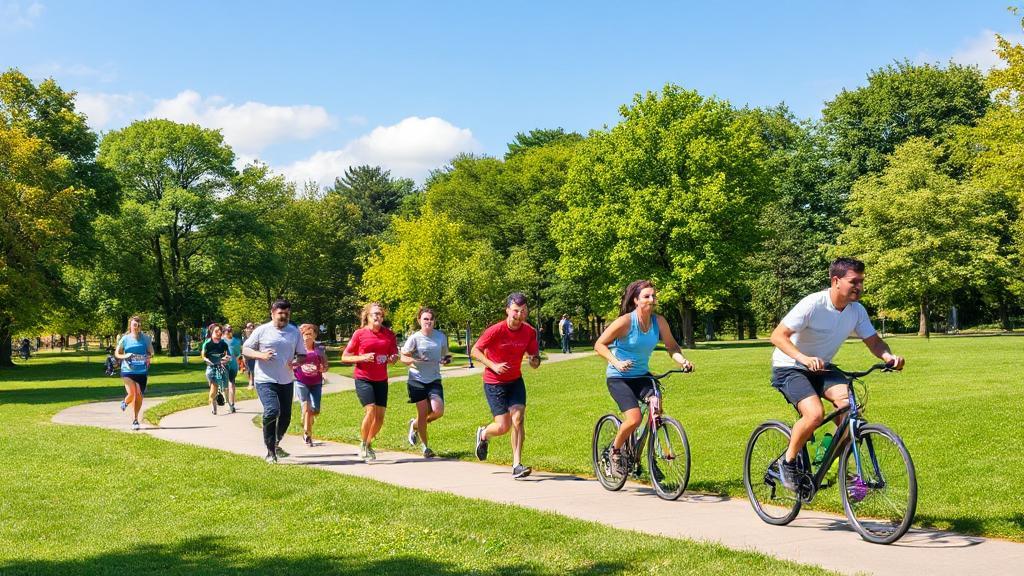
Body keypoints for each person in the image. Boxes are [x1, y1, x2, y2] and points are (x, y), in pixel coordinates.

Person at [769, 257, 905, 492]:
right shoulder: (813, 304)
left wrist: (888, 357)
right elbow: (777, 336)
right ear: (836, 281)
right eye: (854, 281)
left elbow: (873, 341)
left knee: (851, 409)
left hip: (822, 367)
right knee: (814, 414)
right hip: (790, 366)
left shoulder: (856, 310)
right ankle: (788, 462)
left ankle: (831, 461)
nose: (859, 287)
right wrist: (804, 358)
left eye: (861, 281)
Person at [594, 280, 694, 476]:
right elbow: (599, 345)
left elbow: (672, 347)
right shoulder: (625, 322)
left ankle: (645, 457)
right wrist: (616, 362)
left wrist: (682, 361)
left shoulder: (659, 321)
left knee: (656, 411)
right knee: (634, 419)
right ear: (636, 300)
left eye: (653, 296)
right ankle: (613, 451)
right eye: (647, 296)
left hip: (641, 375)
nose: (652, 299)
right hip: (619, 377)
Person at [472, 292, 541, 480]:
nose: (519, 316)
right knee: (503, 427)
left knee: (518, 419)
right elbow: (474, 350)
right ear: (508, 311)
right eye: (516, 311)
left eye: (523, 311)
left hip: (515, 381)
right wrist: (493, 365)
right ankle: (484, 434)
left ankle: (517, 465)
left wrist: (534, 361)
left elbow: (534, 360)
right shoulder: (496, 330)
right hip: (494, 383)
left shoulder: (529, 332)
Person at [243, 300, 307, 464]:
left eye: (287, 313)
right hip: (265, 379)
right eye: (280, 313)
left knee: (285, 416)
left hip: (286, 379)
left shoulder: (294, 332)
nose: (284, 316)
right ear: (272, 313)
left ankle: (276, 442)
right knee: (272, 410)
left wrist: (296, 362)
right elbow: (246, 349)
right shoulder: (262, 330)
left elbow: (302, 354)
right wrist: (261, 355)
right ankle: (270, 451)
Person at [341, 302, 399, 462]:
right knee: (371, 410)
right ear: (367, 316)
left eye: (380, 314)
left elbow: (393, 355)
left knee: (380, 418)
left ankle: (368, 442)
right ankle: (362, 444)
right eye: (374, 314)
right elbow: (344, 357)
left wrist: (394, 358)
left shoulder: (389, 335)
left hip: (381, 379)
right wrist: (362, 357)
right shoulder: (359, 334)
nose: (378, 316)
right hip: (363, 378)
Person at [400, 307, 451, 458]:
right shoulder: (414, 338)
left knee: (438, 410)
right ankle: (425, 447)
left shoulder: (440, 337)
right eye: (425, 319)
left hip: (434, 379)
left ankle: (414, 425)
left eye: (431, 319)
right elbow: (403, 356)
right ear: (419, 321)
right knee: (423, 414)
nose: (428, 322)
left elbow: (447, 355)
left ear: (434, 321)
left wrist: (446, 360)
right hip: (417, 380)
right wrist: (413, 361)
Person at [114, 316, 155, 431]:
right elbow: (117, 353)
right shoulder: (125, 339)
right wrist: (125, 356)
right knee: (133, 394)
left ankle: (130, 408)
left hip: (142, 371)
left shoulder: (146, 338)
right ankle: (134, 420)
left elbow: (151, 351)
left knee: (140, 396)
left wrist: (149, 356)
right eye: (134, 325)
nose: (137, 327)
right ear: (130, 326)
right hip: (128, 370)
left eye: (139, 325)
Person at [294, 323, 328, 446]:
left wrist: (324, 368)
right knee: (307, 408)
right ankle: (307, 435)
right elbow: (290, 362)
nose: (308, 337)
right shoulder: (297, 349)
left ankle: (306, 418)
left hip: (316, 382)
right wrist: (294, 365)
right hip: (301, 381)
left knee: (316, 410)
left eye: (310, 334)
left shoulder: (319, 349)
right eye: (305, 334)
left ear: (314, 335)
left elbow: (325, 364)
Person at [201, 324, 230, 415]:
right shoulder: (207, 343)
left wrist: (226, 359)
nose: (219, 333)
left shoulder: (223, 344)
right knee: (214, 387)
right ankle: (213, 405)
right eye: (216, 331)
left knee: (225, 387)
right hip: (211, 368)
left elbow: (227, 355)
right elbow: (203, 355)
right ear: (211, 332)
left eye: (220, 331)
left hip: (222, 367)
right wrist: (207, 360)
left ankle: (229, 403)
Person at [223, 325, 242, 413]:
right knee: (228, 384)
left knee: (229, 383)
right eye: (227, 330)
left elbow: (238, 354)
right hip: (227, 364)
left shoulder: (235, 341)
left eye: (229, 330)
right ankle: (229, 403)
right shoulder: (223, 341)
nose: (228, 331)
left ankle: (230, 403)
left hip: (229, 364)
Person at [242, 322, 256, 390]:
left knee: (252, 369)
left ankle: (252, 383)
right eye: (248, 327)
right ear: (246, 329)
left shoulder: (255, 335)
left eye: (252, 326)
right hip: (246, 354)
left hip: (253, 354)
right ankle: (250, 382)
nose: (251, 328)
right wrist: (243, 356)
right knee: (248, 369)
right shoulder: (244, 337)